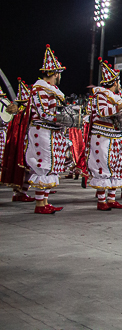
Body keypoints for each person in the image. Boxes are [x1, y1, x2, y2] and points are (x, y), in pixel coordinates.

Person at [83, 59, 122, 211]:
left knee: (117, 167)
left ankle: (111, 199)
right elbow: (102, 112)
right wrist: (121, 106)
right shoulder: (100, 96)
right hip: (102, 136)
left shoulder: (112, 97)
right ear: (115, 82)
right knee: (102, 167)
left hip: (116, 135)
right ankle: (101, 201)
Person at [24, 45, 69, 214]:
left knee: (51, 165)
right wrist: (61, 119)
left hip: (50, 131)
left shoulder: (50, 90)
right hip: (41, 130)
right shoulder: (39, 89)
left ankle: (45, 202)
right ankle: (39, 204)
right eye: (58, 74)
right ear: (53, 73)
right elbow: (43, 113)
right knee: (43, 165)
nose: (59, 77)